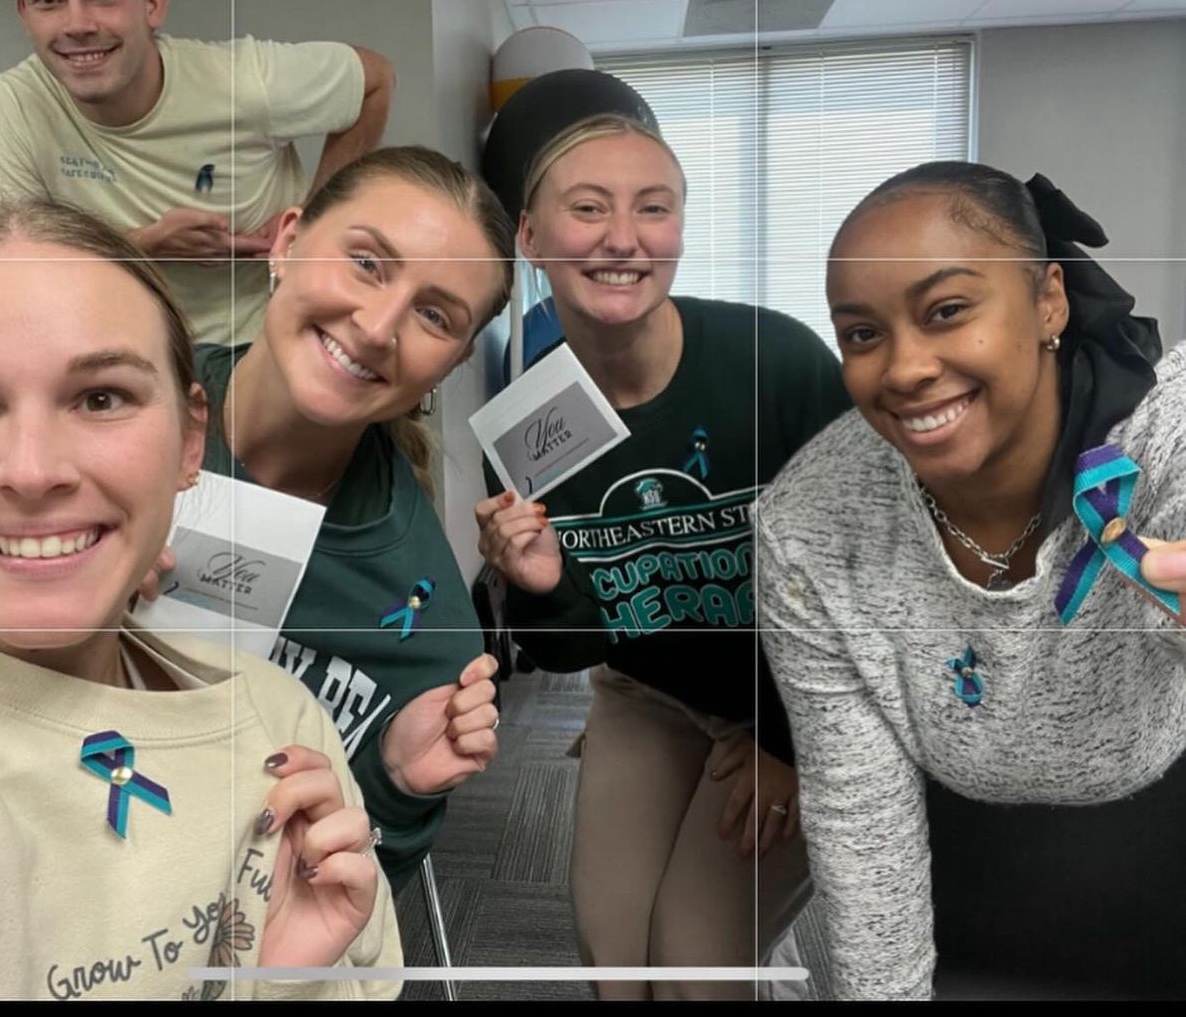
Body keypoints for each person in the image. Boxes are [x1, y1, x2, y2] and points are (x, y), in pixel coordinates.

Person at [0, 198, 401, 1000]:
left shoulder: (280, 725)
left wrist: (284, 983)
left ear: (190, 439)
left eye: (100, 397)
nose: (32, 471)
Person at [758, 162, 1186, 1001]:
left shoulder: (1165, 436)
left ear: (1048, 302)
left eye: (947, 311)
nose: (906, 368)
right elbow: (860, 820)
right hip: (957, 846)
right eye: (862, 334)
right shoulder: (810, 525)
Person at [473, 113, 850, 1000]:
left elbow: (870, 577)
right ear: (530, 235)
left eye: (654, 208)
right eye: (589, 208)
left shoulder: (776, 361)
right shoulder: (531, 416)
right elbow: (569, 649)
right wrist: (541, 585)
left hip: (802, 703)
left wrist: (791, 741)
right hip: (652, 692)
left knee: (692, 969)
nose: (623, 238)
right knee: (616, 966)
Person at [169, 146, 514, 890]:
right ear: (286, 242)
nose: (377, 324)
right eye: (366, 262)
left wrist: (394, 779)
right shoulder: (110, 409)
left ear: (452, 364)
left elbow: (368, 870)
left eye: (433, 314)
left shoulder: (429, 623)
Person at [0, 0, 396, 344]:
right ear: (24, 13)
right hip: (114, 347)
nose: (77, 24)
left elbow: (375, 80)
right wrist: (146, 244)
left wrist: (314, 224)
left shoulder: (243, 82)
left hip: (255, 342)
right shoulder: (17, 101)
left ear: (153, 5)